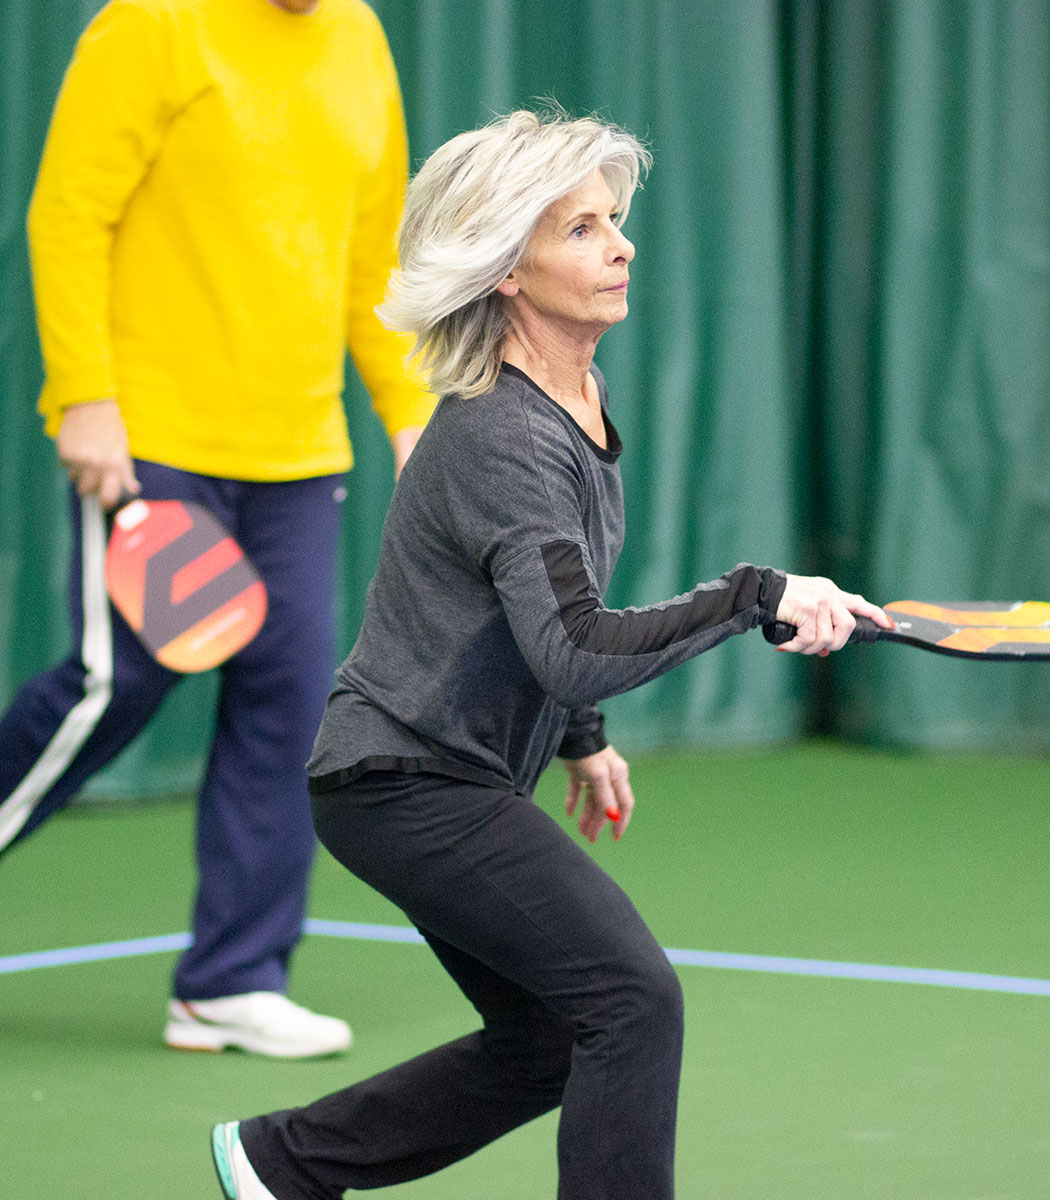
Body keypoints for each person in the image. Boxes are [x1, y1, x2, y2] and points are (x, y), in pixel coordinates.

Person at [209, 108, 892, 1198]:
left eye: (614, 221)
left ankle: (283, 1164)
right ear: (507, 269)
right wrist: (756, 596)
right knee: (631, 999)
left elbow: (538, 602)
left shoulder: (574, 402)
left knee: (548, 1038)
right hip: (403, 782)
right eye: (580, 230)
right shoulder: (501, 432)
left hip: (439, 775)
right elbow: (572, 644)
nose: (620, 245)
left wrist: (581, 738)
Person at [0, 0, 433, 1058]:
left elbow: (373, 256)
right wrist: (86, 395)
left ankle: (230, 981)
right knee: (124, 677)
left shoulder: (360, 39)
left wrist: (413, 412)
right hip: (155, 438)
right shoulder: (152, 23)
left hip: (297, 453)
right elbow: (67, 215)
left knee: (291, 707)